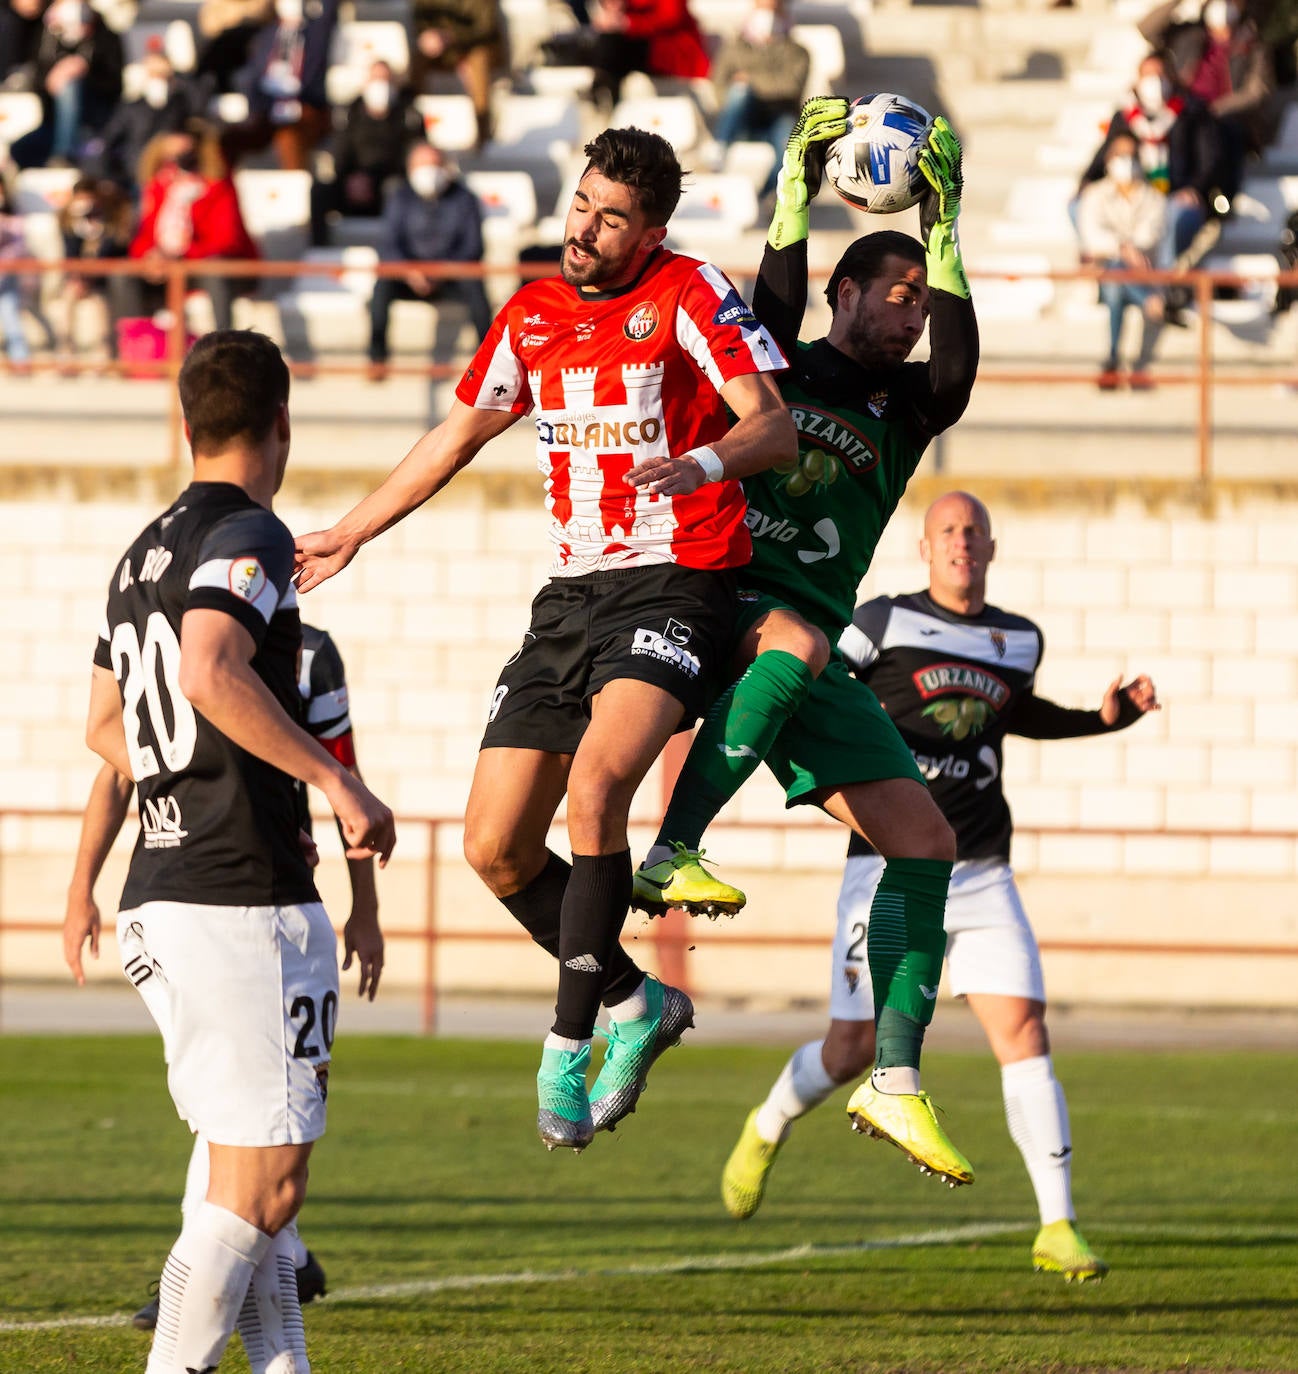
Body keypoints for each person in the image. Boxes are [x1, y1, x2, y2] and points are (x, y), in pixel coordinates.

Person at [294, 126, 795, 1153]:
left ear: (651, 232)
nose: (585, 230)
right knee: (493, 846)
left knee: (597, 789)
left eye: (612, 219)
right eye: (581, 205)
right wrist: (350, 532)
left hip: (678, 578)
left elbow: (772, 426)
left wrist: (703, 465)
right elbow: (456, 434)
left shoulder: (691, 291)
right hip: (569, 597)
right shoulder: (530, 313)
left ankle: (568, 1044)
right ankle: (636, 1001)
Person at [631, 98, 981, 1186]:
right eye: (897, 292)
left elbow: (959, 371)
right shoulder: (777, 365)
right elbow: (768, 307)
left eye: (921, 299)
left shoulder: (908, 404)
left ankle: (893, 1078)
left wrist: (945, 229)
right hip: (719, 602)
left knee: (924, 842)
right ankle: (670, 848)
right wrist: (792, 190)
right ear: (844, 293)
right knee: (792, 639)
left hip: (804, 649)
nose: (913, 313)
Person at [719, 490, 1160, 1284]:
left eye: (974, 531)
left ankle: (1058, 1225)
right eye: (948, 530)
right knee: (852, 1048)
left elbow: (1014, 714)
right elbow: (816, 683)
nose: (962, 541)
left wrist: (1101, 720)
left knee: (1024, 1032)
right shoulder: (882, 621)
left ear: (990, 547)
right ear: (926, 548)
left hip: (982, 867)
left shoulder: (1019, 638)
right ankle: (769, 1121)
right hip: (885, 864)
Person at [69, 327, 394, 1374]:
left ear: (184, 422)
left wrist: (184, 773)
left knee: (243, 1174)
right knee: (266, 1185)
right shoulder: (250, 531)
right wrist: (332, 780)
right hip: (238, 896)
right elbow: (210, 670)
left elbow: (104, 726)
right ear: (282, 422)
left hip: (164, 886)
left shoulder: (141, 552)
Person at [63, 619, 381, 1331]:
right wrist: (79, 889)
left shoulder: (308, 652)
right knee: (232, 1101)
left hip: (253, 894)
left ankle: (233, 1264)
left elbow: (343, 774)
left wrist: (365, 907)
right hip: (198, 897)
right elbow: (113, 764)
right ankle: (249, 1261)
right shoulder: (169, 630)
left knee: (235, 1102)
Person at [1078, 50, 1223, 318]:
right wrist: (1085, 182)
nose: (1154, 82)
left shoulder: (1191, 112)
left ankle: (1161, 284)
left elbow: (1209, 161)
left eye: (1159, 74)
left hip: (1173, 197)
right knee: (1080, 205)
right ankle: (1111, 276)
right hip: (1139, 201)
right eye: (1148, 75)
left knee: (1171, 215)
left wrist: (1194, 189)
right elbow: (1106, 154)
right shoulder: (1126, 118)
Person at [111, 121, 259, 337]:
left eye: (183, 154)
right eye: (170, 155)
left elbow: (227, 240)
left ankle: (224, 343)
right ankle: (136, 345)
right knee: (123, 275)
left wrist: (182, 256)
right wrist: (150, 257)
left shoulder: (217, 185)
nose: (176, 161)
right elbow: (144, 235)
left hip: (204, 265)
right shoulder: (159, 186)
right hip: (168, 267)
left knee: (214, 272)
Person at [366, 138, 493, 380]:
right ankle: (377, 358)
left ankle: (489, 362)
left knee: (475, 285)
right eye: (421, 166)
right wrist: (409, 272)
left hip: (451, 277)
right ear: (410, 169)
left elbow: (473, 247)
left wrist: (442, 271)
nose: (428, 172)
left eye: (433, 165)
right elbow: (388, 245)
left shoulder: (465, 198)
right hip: (409, 279)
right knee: (381, 286)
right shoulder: (399, 197)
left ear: (445, 167)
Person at [1076, 132, 1169, 390]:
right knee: (1115, 277)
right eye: (1119, 155)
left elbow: (1150, 235)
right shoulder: (1095, 194)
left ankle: (1113, 359)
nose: (1125, 161)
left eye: (1130, 155)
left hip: (1141, 274)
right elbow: (1092, 237)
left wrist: (1120, 249)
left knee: (1116, 280)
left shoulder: (1153, 197)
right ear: (1108, 159)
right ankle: (1148, 303)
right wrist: (1124, 249)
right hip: (1107, 276)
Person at [309, 58, 423, 246]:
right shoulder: (349, 112)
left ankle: (398, 251)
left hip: (389, 185)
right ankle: (319, 249)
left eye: (385, 79)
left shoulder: (409, 114)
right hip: (353, 183)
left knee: (398, 192)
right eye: (376, 79)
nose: (381, 85)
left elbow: (414, 154)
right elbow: (340, 150)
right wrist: (350, 178)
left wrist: (381, 180)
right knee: (320, 191)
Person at [708, 0, 809, 198]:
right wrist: (747, 89)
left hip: (779, 115)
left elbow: (790, 86)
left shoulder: (797, 52)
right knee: (739, 92)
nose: (767, 18)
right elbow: (719, 85)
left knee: (789, 144)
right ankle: (720, 147)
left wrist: (751, 80)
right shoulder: (734, 48)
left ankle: (766, 195)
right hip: (742, 118)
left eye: (772, 11)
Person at [8, 0, 122, 168]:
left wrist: (83, 67)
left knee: (70, 86)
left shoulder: (102, 30)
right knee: (18, 150)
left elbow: (114, 81)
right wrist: (54, 75)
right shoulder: (47, 29)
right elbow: (37, 74)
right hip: (52, 120)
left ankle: (64, 154)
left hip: (92, 121)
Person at [228, 0, 340, 172]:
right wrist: (256, 108)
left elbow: (329, 10)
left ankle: (294, 184)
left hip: (305, 108)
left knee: (287, 137)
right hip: (267, 108)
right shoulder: (266, 35)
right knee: (227, 138)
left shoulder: (315, 32)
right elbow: (252, 74)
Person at [82, 46, 201, 195]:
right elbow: (107, 138)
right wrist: (109, 178)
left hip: (172, 173)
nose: (158, 79)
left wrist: (178, 75)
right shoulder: (132, 106)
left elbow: (200, 103)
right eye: (153, 73)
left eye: (161, 74)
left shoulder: (180, 102)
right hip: (137, 173)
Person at [53, 174, 132, 372]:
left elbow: (112, 252)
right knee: (67, 302)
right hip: (75, 278)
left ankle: (103, 357)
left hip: (100, 280)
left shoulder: (110, 221)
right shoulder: (67, 221)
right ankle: (65, 354)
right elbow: (70, 254)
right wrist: (79, 229)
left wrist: (98, 233)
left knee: (101, 308)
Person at [410, 0, 504, 149]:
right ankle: (413, 124)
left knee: (478, 61)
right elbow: (419, 17)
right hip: (440, 50)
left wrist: (451, 36)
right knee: (417, 57)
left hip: (476, 46)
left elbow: (485, 27)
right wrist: (429, 35)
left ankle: (482, 133)